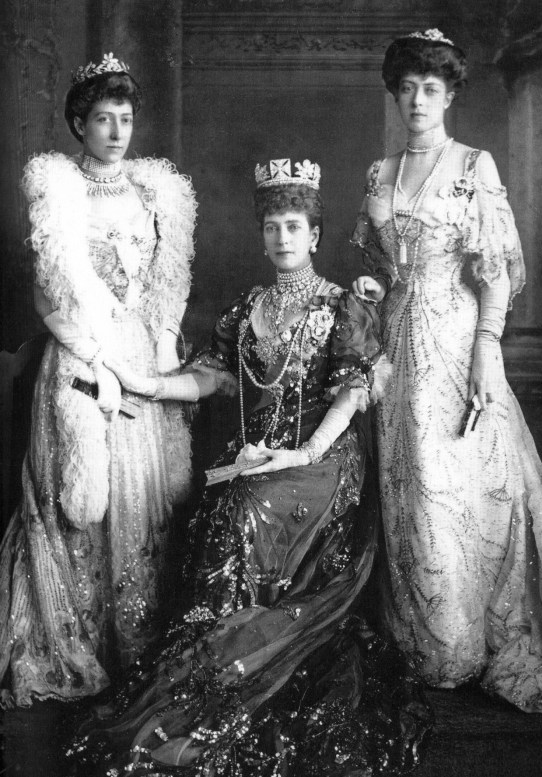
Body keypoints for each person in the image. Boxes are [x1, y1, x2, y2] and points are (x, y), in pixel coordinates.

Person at [69, 158, 431, 776]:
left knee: (246, 506)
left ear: (315, 236)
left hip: (323, 459)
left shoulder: (343, 306)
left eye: (294, 227)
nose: (282, 238)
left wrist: (302, 454)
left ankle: (241, 651)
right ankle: (215, 660)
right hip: (257, 457)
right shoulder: (247, 307)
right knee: (224, 506)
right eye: (272, 227)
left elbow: (349, 397)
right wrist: (149, 385)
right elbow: (211, 378)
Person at [351, 29, 542, 715]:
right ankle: (421, 638)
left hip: (458, 338)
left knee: (457, 484)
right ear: (395, 93)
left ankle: (461, 641)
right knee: (403, 481)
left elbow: (494, 273)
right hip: (397, 347)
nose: (417, 100)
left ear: (449, 96)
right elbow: (380, 269)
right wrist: (373, 293)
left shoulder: (475, 165)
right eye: (407, 88)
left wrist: (485, 351)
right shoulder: (380, 175)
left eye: (431, 89)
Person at [0, 54, 197, 707]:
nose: (116, 131)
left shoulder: (152, 191)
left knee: (149, 495)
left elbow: (167, 286)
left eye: (126, 118)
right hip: (82, 352)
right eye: (103, 119)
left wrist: (162, 351)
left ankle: (140, 640)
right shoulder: (61, 190)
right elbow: (47, 295)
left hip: (139, 354)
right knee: (85, 497)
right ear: (79, 122)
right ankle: (84, 635)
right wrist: (95, 355)